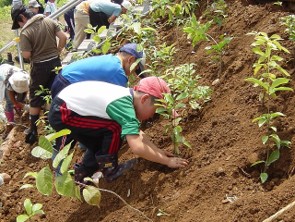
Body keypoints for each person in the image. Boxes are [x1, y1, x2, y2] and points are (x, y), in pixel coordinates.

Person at [48, 77, 189, 183]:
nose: (153, 115)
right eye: (155, 110)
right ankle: (110, 170)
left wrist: (158, 152)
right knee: (114, 128)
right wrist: (166, 161)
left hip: (68, 107)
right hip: (63, 112)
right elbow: (137, 147)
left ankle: (83, 172)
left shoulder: (127, 99)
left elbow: (139, 134)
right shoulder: (124, 106)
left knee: (103, 140)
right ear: (145, 99)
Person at [11, 4, 67, 145]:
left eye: (18, 22)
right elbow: (63, 37)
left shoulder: (26, 32)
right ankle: (59, 124)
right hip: (55, 62)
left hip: (39, 67)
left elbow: (27, 54)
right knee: (55, 91)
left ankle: (33, 130)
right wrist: (57, 51)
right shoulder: (49, 20)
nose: (20, 25)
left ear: (22, 18)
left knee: (35, 96)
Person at [51, 42, 146, 99]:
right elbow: (120, 102)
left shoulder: (110, 60)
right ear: (131, 60)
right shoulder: (117, 71)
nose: (133, 73)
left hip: (63, 78)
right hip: (66, 84)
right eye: (136, 68)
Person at [0, 64, 30, 139]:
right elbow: (12, 98)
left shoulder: (25, 79)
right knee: (9, 102)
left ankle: (18, 113)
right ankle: (11, 122)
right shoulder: (10, 82)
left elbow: (25, 91)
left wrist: (20, 102)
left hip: (16, 77)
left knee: (20, 98)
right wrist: (17, 104)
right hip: (2, 76)